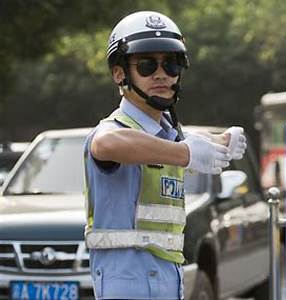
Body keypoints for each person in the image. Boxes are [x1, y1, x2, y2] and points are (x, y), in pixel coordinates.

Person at [83, 11, 247, 299]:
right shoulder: (117, 129)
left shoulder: (168, 135)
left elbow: (184, 142)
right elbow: (104, 143)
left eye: (171, 64)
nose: (161, 74)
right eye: (146, 65)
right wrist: (184, 152)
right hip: (126, 281)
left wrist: (222, 140)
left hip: (168, 280)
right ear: (120, 74)